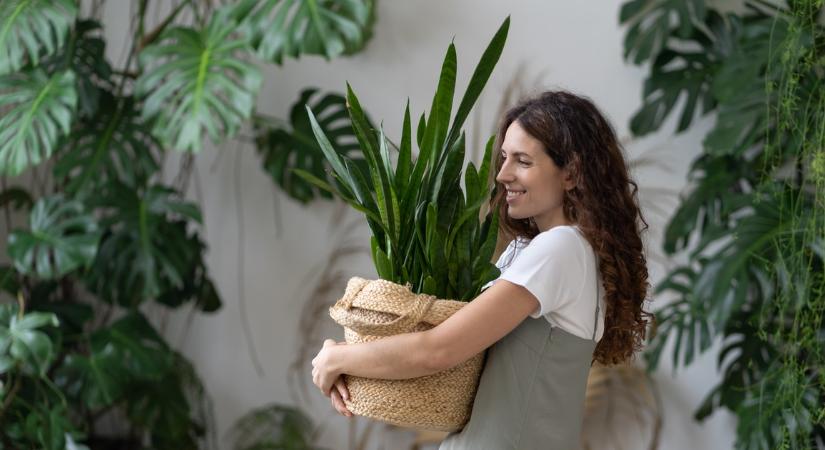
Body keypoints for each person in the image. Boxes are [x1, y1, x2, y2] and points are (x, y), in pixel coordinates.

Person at [311, 90, 652, 449]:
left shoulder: (561, 248)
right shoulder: (545, 250)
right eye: (504, 158)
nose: (503, 174)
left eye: (523, 161)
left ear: (571, 173)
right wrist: (348, 365)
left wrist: (338, 357)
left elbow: (437, 351)